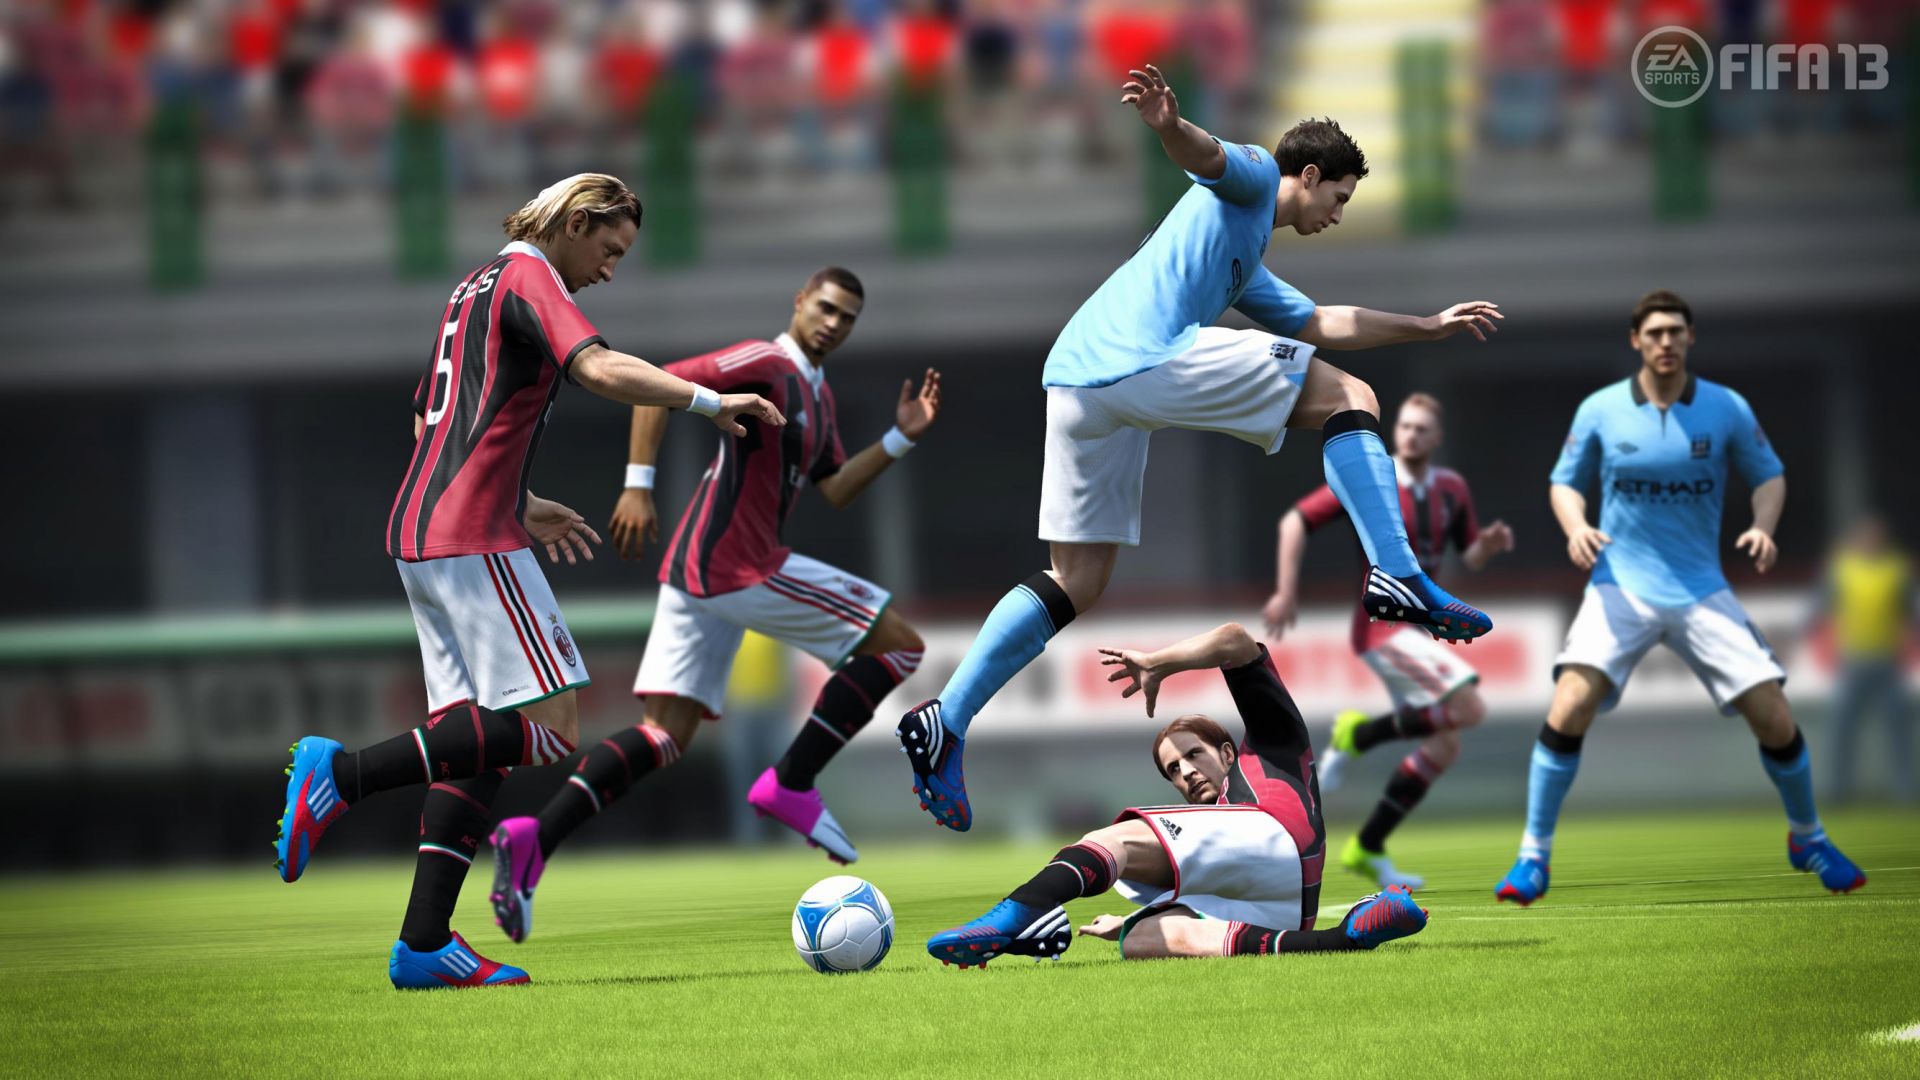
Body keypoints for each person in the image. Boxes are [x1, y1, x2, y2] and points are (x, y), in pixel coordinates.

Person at [897, 62, 1505, 832]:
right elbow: (1209, 156)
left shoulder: (1244, 258)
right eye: (1340, 198)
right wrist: (1167, 126)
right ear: (1309, 176)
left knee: (1075, 580)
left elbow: (1319, 322)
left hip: (1080, 386)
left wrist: (1425, 325)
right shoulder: (1256, 177)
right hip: (1140, 361)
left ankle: (945, 719)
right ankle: (1398, 573)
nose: (1338, 214)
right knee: (1351, 399)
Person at [272, 173, 785, 990]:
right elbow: (600, 369)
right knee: (549, 728)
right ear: (575, 222)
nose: (610, 270)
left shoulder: (470, 287)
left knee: (475, 742)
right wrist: (706, 401)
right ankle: (340, 776)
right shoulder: (527, 275)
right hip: (472, 535)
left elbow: (429, 417)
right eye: (609, 249)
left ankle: (424, 943)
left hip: (423, 531)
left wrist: (522, 495)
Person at [485, 268, 943, 944]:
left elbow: (836, 487)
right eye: (825, 308)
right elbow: (661, 383)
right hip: (735, 563)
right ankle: (792, 783)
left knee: (662, 737)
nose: (834, 323)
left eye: (847, 317)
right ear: (799, 302)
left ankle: (534, 838)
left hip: (697, 570)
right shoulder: (764, 362)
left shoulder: (817, 396)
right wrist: (637, 484)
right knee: (900, 644)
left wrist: (901, 437)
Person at [1495, 289, 1865, 906]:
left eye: (1675, 331)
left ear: (1690, 338)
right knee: (1570, 701)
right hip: (1619, 584)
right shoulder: (1601, 409)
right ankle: (1533, 856)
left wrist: (1763, 526)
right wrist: (1576, 526)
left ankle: (1809, 838)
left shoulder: (1726, 408)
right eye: (1655, 332)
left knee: (1774, 714)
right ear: (1635, 341)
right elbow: (1563, 484)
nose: (1665, 341)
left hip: (1700, 588)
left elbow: (1770, 476)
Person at [925, 623, 1428, 967]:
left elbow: (1235, 640)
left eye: (1193, 754)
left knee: (1116, 839)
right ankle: (1343, 937)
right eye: (1173, 769)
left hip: (1278, 833)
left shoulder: (1270, 746)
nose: (1185, 772)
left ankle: (1018, 911)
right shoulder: (1220, 834)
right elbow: (1224, 876)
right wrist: (1127, 921)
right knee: (1143, 940)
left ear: (1227, 752)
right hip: (1288, 909)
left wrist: (1159, 662)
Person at [1264, 392, 1515, 889]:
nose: (1411, 435)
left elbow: (1469, 554)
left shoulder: (1451, 488)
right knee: (1468, 709)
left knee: (1443, 745)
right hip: (1383, 625)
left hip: (1422, 625)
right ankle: (1358, 735)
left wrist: (1485, 546)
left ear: (1437, 437)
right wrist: (1285, 591)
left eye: (1422, 429)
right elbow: (1296, 520)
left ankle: (1369, 846)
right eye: (1405, 427)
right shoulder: (1372, 478)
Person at [1809, 513, 1914, 803]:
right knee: (1842, 729)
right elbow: (1820, 607)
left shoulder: (1896, 569)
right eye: (1867, 535)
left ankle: (1906, 792)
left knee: (1898, 729)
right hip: (1852, 661)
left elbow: (1910, 611)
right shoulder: (1841, 568)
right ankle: (1838, 792)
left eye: (1877, 536)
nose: (1872, 540)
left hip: (1888, 661)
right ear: (1857, 538)